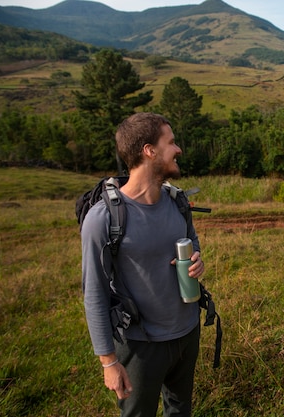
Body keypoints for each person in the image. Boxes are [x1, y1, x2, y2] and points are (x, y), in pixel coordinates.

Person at [81, 112, 205, 417]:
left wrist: (197, 262)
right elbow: (94, 294)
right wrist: (109, 362)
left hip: (187, 332)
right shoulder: (103, 219)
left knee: (180, 410)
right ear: (149, 151)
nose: (178, 150)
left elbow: (193, 243)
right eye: (171, 142)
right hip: (140, 345)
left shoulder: (177, 202)